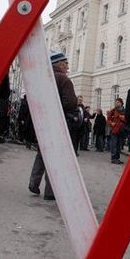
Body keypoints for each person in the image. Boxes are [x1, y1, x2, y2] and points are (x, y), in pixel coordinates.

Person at [28, 51, 77, 200]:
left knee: (42, 152)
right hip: (58, 122)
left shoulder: (43, 79)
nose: (67, 67)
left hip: (43, 120)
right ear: (60, 64)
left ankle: (33, 183)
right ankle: (50, 191)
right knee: (54, 156)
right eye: (66, 63)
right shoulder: (64, 80)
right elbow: (70, 103)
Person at [108, 98, 126, 164]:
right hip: (115, 130)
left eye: (118, 102)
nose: (116, 103)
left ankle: (117, 158)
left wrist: (124, 119)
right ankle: (113, 158)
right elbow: (108, 118)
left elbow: (127, 119)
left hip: (122, 130)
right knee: (114, 144)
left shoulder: (125, 111)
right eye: (116, 102)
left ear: (121, 103)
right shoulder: (113, 110)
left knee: (119, 145)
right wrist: (111, 123)